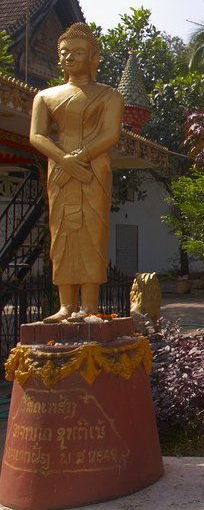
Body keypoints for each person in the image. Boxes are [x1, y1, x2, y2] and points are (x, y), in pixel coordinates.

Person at [29, 23, 124, 322]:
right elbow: (37, 136)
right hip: (60, 171)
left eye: (78, 52)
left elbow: (110, 134)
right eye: (64, 52)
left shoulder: (109, 96)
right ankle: (66, 305)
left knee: (91, 234)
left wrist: (79, 158)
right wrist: (63, 159)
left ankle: (89, 305)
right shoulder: (45, 96)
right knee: (62, 234)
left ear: (94, 57)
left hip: (93, 169)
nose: (70, 58)